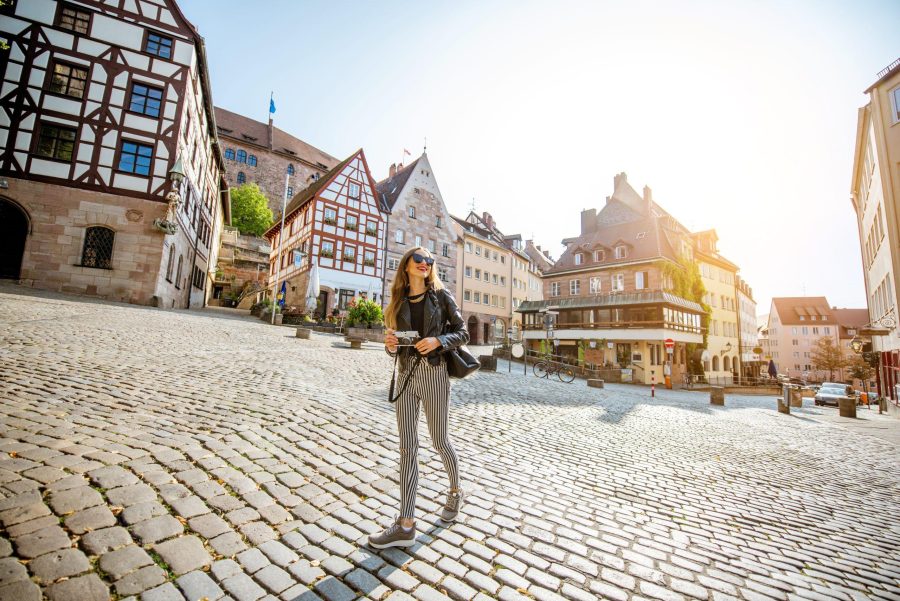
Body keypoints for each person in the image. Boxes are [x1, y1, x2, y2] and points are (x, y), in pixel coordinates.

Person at [367, 246, 469, 549]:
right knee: (407, 448)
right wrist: (390, 345)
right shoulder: (398, 300)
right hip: (405, 375)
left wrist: (438, 340)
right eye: (419, 259)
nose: (426, 263)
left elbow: (463, 333)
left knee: (440, 441)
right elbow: (394, 346)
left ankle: (455, 491)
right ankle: (406, 524)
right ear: (406, 265)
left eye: (429, 260)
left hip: (434, 373)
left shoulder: (441, 296)